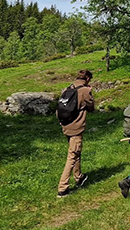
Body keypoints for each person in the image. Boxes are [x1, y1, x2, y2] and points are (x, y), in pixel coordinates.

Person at [57, 69, 95, 198]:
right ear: (88, 79)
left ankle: (79, 177)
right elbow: (91, 108)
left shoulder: (68, 89)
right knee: (72, 156)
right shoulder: (85, 91)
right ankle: (62, 188)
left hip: (66, 126)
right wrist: (90, 92)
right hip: (76, 128)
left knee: (76, 152)